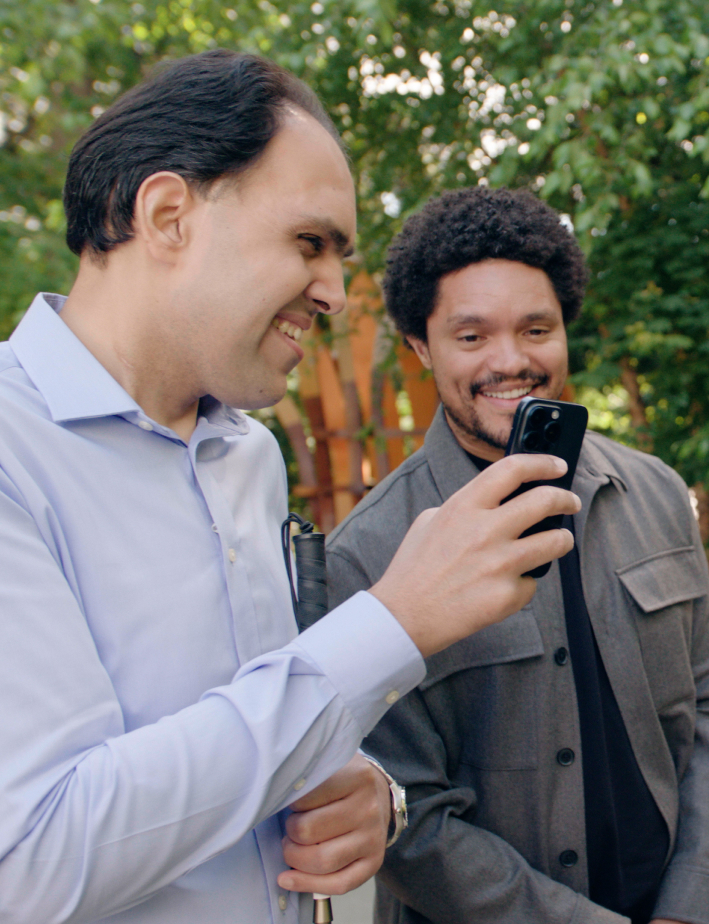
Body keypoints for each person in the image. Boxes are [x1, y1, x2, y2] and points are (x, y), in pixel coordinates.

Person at [0, 53, 580, 924]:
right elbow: (32, 858)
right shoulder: (14, 453)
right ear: (167, 216)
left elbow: (269, 726)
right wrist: (393, 622)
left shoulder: (248, 455)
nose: (336, 294)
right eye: (309, 243)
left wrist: (368, 797)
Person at [327, 186, 709, 924]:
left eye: (535, 329)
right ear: (420, 346)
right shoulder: (367, 555)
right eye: (471, 337)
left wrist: (687, 901)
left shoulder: (657, 494)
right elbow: (407, 818)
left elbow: (704, 703)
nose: (511, 361)